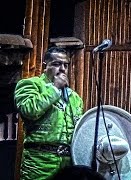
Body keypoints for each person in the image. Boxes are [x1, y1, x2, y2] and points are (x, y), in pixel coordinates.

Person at [14, 47, 84, 180]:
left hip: (69, 164)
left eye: (65, 65)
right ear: (45, 66)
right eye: (57, 64)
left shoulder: (75, 98)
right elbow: (29, 110)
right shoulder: (30, 85)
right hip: (40, 162)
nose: (62, 69)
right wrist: (55, 88)